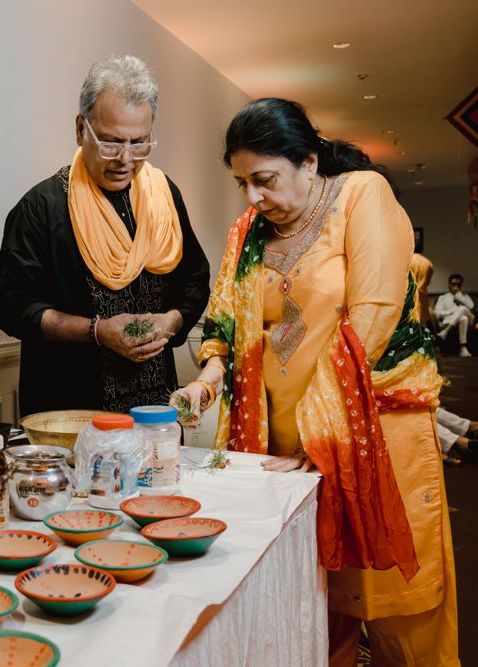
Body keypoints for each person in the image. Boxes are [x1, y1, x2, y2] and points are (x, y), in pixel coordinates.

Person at [172, 98, 458, 665]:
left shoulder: (360, 196)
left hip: (370, 436)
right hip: (283, 455)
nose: (253, 197)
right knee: (314, 606)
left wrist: (321, 433)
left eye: (264, 179)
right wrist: (207, 378)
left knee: (394, 605)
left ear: (308, 162)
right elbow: (228, 320)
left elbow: (372, 317)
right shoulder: (249, 230)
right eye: (241, 183)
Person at [0, 55, 210, 416]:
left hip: (155, 409)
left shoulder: (164, 195)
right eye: (110, 142)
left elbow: (195, 280)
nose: (126, 159)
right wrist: (96, 331)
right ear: (81, 129)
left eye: (139, 143)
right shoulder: (40, 208)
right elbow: (12, 309)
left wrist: (171, 320)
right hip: (70, 412)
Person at [434, 273, 474, 357]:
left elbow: (471, 307)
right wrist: (453, 311)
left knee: (463, 309)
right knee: (463, 318)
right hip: (449, 320)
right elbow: (438, 314)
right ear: (449, 285)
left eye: (458, 284)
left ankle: (445, 332)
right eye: (453, 284)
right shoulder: (442, 297)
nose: (455, 286)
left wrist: (459, 297)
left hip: (469, 321)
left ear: (461, 285)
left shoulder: (465, 296)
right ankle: (463, 348)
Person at [408, 252, 434, 330]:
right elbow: (428, 282)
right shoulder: (428, 263)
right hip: (422, 297)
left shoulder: (407, 260)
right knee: (422, 325)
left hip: (409, 295)